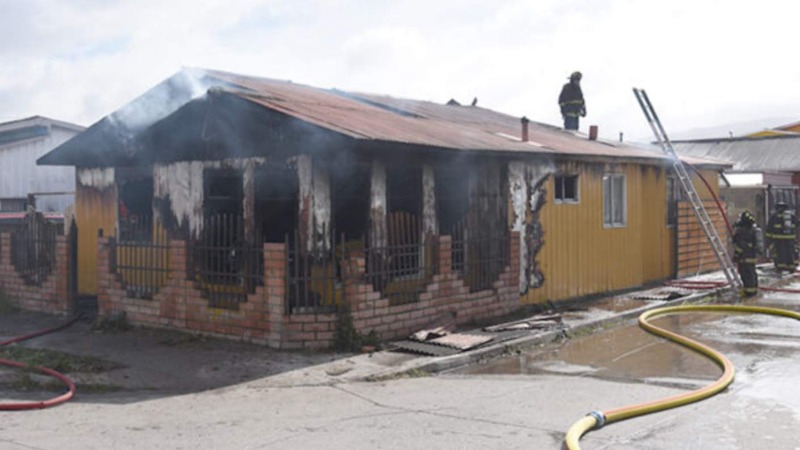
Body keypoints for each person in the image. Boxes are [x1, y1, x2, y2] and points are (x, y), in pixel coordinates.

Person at [765, 201, 799, 274]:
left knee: (780, 253)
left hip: (778, 239)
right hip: (790, 238)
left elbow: (769, 229)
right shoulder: (791, 215)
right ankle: (791, 267)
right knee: (790, 252)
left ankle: (781, 268)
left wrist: (769, 240)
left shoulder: (774, 216)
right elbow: (797, 224)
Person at [732, 210, 760, 297]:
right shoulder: (753, 230)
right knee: (752, 273)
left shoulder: (742, 231)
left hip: (744, 257)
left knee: (746, 275)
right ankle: (753, 290)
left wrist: (736, 255)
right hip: (752, 257)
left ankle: (748, 292)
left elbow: (739, 244)